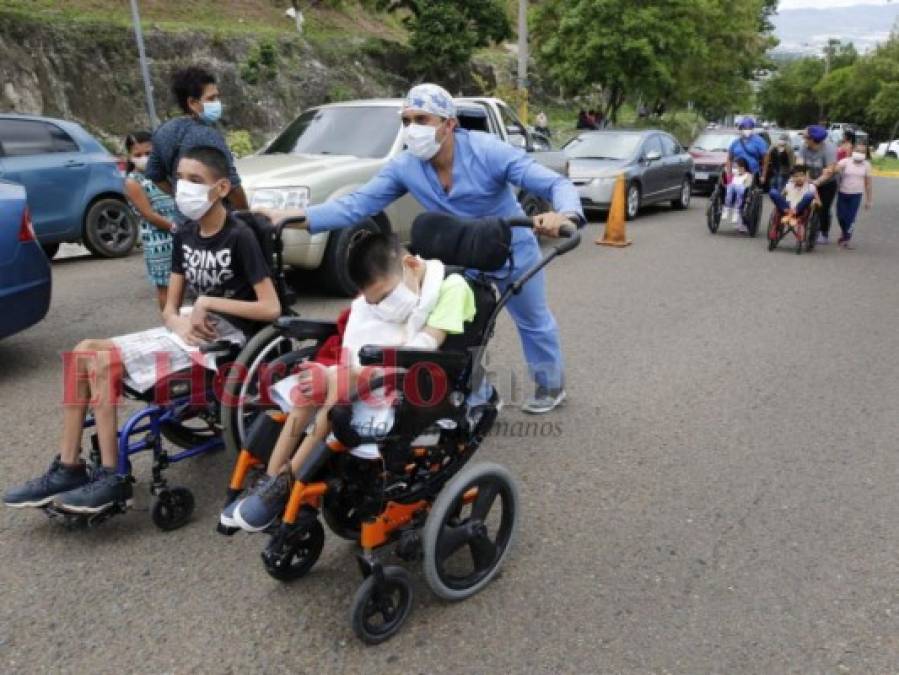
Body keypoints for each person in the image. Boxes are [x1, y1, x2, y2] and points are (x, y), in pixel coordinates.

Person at [259, 83, 584, 414]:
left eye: (422, 119)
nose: (412, 129)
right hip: (460, 255)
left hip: (511, 250)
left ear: (448, 124)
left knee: (533, 321)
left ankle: (549, 385)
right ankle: (480, 393)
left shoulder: (488, 151)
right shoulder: (405, 167)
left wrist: (565, 214)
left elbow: (555, 183)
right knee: (456, 330)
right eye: (406, 120)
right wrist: (294, 216)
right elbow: (356, 205)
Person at [3, 146, 280, 514]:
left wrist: (207, 303)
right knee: (83, 351)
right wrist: (177, 319)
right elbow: (169, 305)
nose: (184, 188)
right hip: (187, 331)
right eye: (180, 179)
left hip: (226, 340)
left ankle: (111, 476)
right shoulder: (185, 233)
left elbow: (271, 307)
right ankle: (69, 466)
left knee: (102, 361)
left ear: (222, 188)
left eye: (196, 180)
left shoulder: (239, 236)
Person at [223, 231, 478, 531]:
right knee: (312, 387)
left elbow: (427, 343)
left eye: (384, 296)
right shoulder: (388, 290)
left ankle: (285, 484)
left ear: (409, 263)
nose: (382, 305)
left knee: (338, 385)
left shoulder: (451, 287)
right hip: (370, 371)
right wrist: (325, 369)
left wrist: (344, 372)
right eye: (374, 301)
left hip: (417, 377)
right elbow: (363, 333)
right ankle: (271, 480)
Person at [145, 66, 248, 220]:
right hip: (214, 223)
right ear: (192, 103)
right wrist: (247, 214)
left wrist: (182, 195)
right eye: (211, 98)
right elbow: (232, 186)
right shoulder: (208, 135)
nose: (217, 103)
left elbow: (154, 174)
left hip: (183, 222)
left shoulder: (163, 131)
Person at [123, 131, 178, 309]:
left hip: (180, 235)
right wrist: (178, 228)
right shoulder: (133, 182)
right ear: (130, 158)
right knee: (167, 288)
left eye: (148, 153)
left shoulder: (166, 175)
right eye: (137, 155)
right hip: (159, 241)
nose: (143, 158)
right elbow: (149, 215)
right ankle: (172, 325)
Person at [725, 117, 768, 230]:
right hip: (736, 171)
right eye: (744, 128)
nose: (747, 130)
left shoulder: (759, 141)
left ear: (752, 128)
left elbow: (765, 160)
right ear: (741, 128)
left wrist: (763, 175)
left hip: (752, 173)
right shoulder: (735, 142)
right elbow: (729, 158)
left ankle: (741, 218)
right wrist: (728, 173)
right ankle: (727, 206)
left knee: (744, 191)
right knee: (727, 185)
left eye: (749, 128)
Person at [798, 125, 839, 245]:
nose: (804, 139)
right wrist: (803, 177)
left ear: (813, 139)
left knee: (823, 208)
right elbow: (799, 164)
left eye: (806, 137)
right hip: (808, 179)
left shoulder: (829, 149)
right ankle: (803, 225)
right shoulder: (804, 147)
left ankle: (824, 233)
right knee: (803, 202)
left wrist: (817, 182)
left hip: (827, 183)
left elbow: (830, 170)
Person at [833, 143, 873, 249]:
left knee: (850, 218)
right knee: (841, 216)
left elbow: (868, 184)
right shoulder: (846, 161)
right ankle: (844, 231)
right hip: (842, 192)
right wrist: (836, 168)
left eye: (862, 151)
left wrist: (869, 200)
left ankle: (846, 238)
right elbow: (835, 168)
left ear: (865, 154)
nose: (859, 153)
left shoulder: (867, 165)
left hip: (856, 195)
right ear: (853, 151)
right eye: (857, 150)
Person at [768, 164, 819, 230]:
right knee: (773, 192)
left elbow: (818, 202)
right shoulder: (789, 185)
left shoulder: (811, 186)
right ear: (792, 178)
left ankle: (793, 213)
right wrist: (781, 203)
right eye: (796, 176)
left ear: (806, 177)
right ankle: (789, 213)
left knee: (809, 195)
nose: (799, 178)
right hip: (786, 208)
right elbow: (780, 197)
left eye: (801, 176)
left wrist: (814, 202)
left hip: (800, 210)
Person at [723, 158, 753, 227]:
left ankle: (736, 212)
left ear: (744, 167)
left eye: (739, 167)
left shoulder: (748, 175)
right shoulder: (735, 174)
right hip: (733, 190)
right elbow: (727, 171)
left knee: (738, 188)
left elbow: (748, 186)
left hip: (742, 191)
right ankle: (727, 207)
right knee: (730, 186)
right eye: (736, 167)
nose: (737, 168)